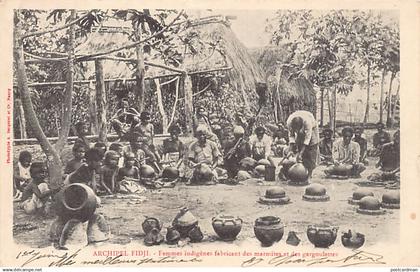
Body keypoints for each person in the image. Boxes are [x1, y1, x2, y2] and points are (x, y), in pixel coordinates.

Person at [286, 110, 320, 178]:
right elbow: (291, 136)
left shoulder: (308, 123)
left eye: (298, 129)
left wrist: (301, 153)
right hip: (302, 128)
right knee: (300, 146)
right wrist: (290, 150)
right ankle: (301, 171)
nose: (297, 131)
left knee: (312, 149)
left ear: (301, 125)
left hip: (313, 129)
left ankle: (309, 172)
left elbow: (308, 139)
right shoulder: (289, 122)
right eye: (295, 129)